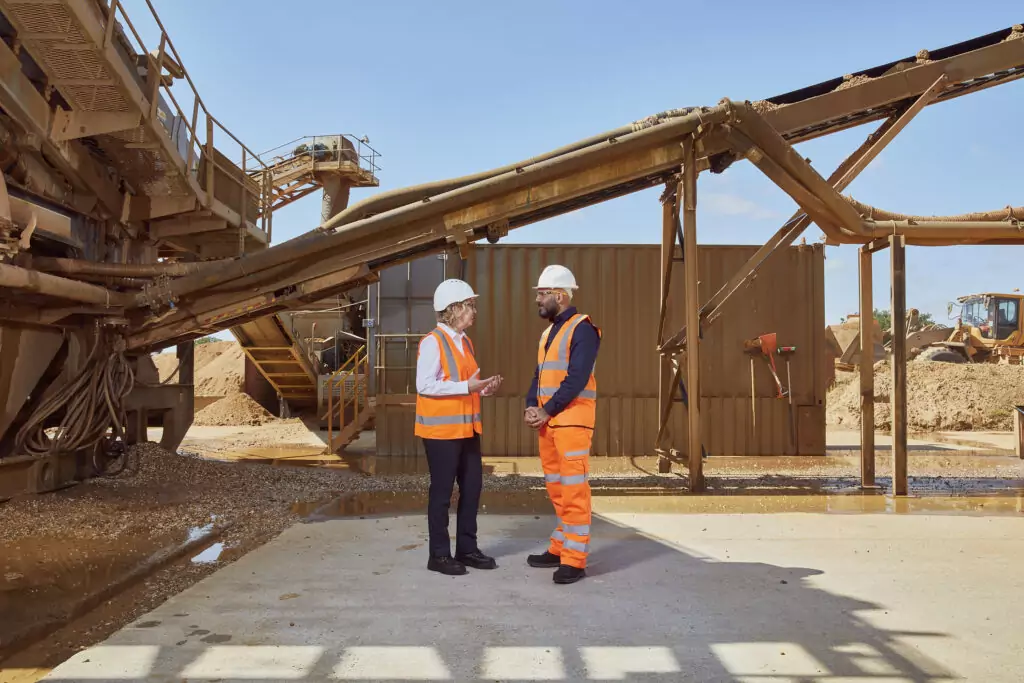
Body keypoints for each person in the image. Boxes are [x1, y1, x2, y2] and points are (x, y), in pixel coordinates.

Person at [415, 278, 503, 576]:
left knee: (472, 487)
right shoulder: (432, 342)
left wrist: (482, 388)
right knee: (441, 493)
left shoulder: (464, 341)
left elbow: (464, 385)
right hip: (441, 434)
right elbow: (424, 385)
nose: (474, 311)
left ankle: (466, 549)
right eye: (469, 305)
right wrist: (468, 385)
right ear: (452, 309)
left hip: (467, 430)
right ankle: (438, 556)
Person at [523, 265, 601, 584]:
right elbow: (539, 376)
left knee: (574, 492)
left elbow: (577, 378)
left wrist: (547, 410)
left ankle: (574, 560)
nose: (538, 300)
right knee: (558, 490)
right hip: (550, 423)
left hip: (571, 423)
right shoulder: (548, 333)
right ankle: (559, 547)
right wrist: (531, 405)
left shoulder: (583, 329)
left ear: (560, 295)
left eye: (542, 294)